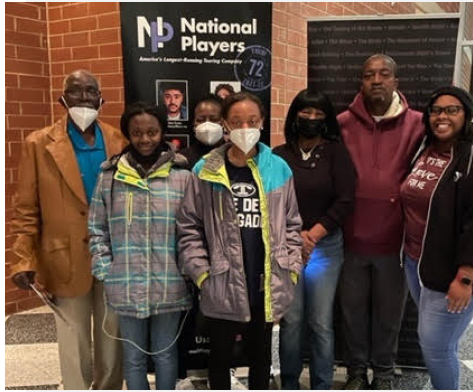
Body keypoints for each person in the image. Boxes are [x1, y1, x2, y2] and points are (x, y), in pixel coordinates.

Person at [336, 54, 473, 390]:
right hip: (373, 247)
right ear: (360, 82)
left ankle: (383, 374)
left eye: (384, 74)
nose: (376, 80)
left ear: (396, 81)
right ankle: (355, 373)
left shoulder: (419, 127)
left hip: (404, 250)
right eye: (368, 75)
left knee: (403, 326)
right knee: (354, 317)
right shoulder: (343, 124)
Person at [176, 92, 303, 390]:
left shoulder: (279, 169)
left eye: (252, 121)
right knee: (219, 357)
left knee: (260, 357)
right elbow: (189, 226)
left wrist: (292, 268)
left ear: (262, 123)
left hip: (266, 280)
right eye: (236, 121)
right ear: (225, 125)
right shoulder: (205, 170)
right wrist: (203, 274)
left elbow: (293, 223)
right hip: (222, 280)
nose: (245, 127)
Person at [10, 69, 125, 390]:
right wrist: (23, 259)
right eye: (76, 91)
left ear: (102, 99)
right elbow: (26, 210)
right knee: (72, 338)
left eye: (92, 91)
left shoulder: (119, 140)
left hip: (113, 255)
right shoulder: (38, 143)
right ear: (62, 98)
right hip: (63, 256)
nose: (85, 99)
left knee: (111, 334)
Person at [400, 86, 473, 390]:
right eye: (436, 110)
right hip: (416, 263)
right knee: (444, 343)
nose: (441, 116)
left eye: (452, 110)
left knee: (435, 347)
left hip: (453, 273)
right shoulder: (424, 150)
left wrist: (465, 278)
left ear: (466, 115)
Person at [88, 102, 192, 389]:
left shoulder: (182, 176)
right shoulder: (110, 177)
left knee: (165, 354)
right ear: (127, 135)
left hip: (169, 282)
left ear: (162, 132)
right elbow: (97, 227)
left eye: (152, 132)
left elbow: (193, 229)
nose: (145, 139)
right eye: (136, 133)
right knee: (133, 357)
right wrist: (106, 270)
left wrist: (187, 270)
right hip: (125, 282)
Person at [274, 89, 355, 390]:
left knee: (321, 323)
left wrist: (313, 236)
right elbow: (271, 201)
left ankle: (322, 384)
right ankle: (290, 383)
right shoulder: (278, 155)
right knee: (291, 322)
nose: (310, 119)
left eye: (318, 114)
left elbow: (346, 200)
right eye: (305, 113)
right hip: (288, 248)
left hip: (326, 248)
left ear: (327, 120)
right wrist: (297, 238)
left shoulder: (336, 152)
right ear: (294, 116)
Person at [180, 94, 225, 170]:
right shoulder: (183, 158)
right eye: (200, 120)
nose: (207, 125)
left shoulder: (233, 157)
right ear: (193, 124)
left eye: (214, 120)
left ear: (224, 123)